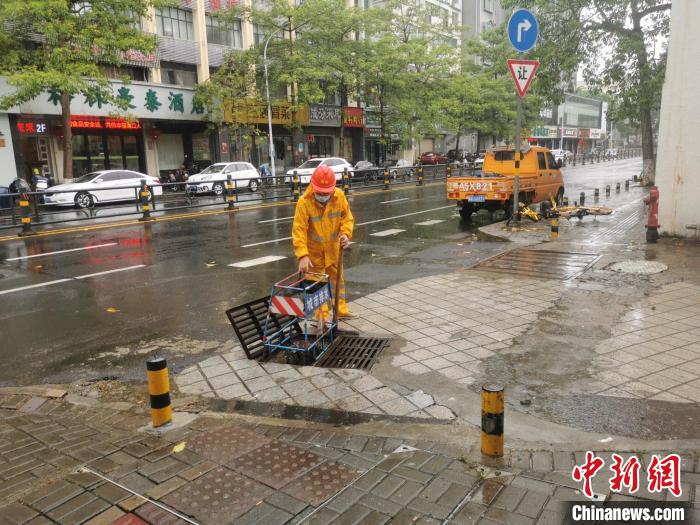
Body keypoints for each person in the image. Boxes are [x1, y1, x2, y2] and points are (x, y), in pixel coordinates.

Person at [292, 165, 355, 319]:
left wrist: (346, 234)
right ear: (313, 186)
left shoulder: (339, 196)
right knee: (318, 288)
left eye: (326, 192)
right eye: (320, 192)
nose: (323, 195)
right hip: (313, 257)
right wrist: (302, 255)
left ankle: (340, 311)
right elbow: (298, 230)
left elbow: (347, 218)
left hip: (333, 251)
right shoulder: (304, 202)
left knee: (337, 283)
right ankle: (322, 319)